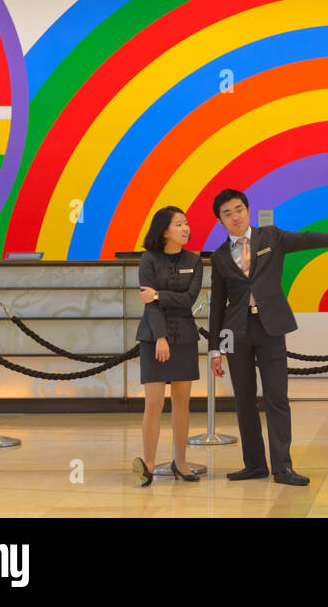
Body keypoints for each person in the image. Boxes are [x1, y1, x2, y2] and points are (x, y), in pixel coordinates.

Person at [207, 188, 328, 484]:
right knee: (244, 400)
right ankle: (254, 464)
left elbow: (308, 239)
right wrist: (214, 349)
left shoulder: (270, 237)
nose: (234, 217)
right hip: (235, 332)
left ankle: (282, 467)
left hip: (271, 327)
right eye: (227, 214)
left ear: (247, 210)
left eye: (238, 209)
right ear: (220, 221)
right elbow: (218, 303)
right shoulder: (218, 257)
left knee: (277, 397)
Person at [132, 205, 203, 486]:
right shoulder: (148, 259)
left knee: (182, 403)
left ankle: (181, 462)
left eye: (186, 223)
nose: (186, 228)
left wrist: (160, 293)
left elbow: (189, 300)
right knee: (154, 403)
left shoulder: (195, 261)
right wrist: (160, 337)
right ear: (164, 230)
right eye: (179, 224)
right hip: (153, 337)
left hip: (185, 335)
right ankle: (148, 464)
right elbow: (148, 304)